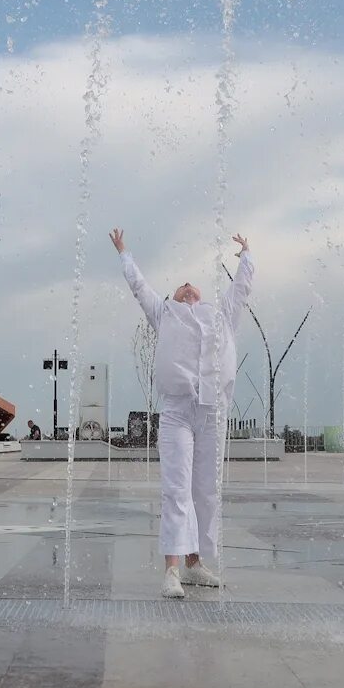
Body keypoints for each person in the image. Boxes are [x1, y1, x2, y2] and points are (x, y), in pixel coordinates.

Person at [113, 226, 253, 599]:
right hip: (177, 412)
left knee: (205, 491)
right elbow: (139, 287)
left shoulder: (220, 316)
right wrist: (125, 252)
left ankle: (194, 564)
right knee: (177, 490)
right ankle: (172, 570)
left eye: (193, 288)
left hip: (212, 412)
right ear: (174, 297)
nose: (188, 289)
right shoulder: (165, 313)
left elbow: (239, 293)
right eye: (182, 287)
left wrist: (246, 258)